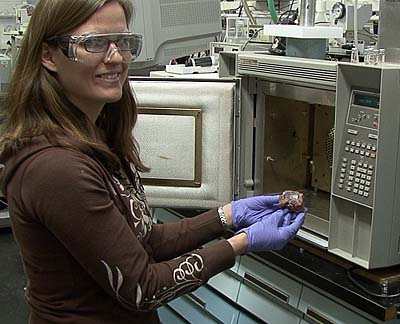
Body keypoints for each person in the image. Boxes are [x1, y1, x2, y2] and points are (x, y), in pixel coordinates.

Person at [0, 0, 306, 323]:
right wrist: (242, 242)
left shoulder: (95, 134)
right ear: (48, 55)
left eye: (123, 42)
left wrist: (227, 214)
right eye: (94, 43)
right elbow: (143, 288)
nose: (116, 57)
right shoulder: (56, 168)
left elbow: (144, 241)